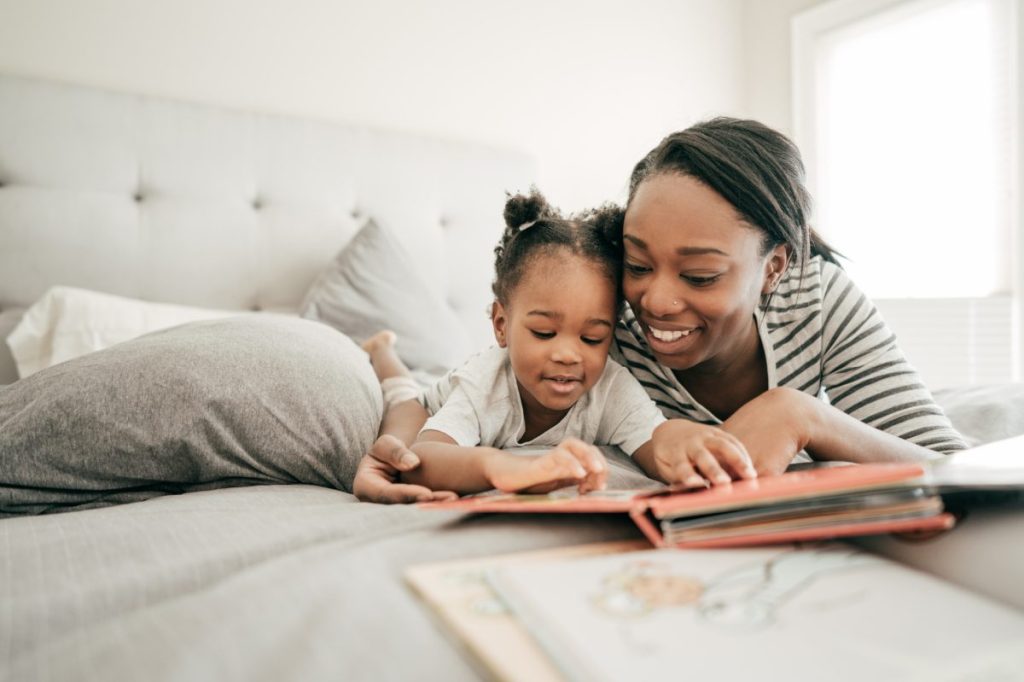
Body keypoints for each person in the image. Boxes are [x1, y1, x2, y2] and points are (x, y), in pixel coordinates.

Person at [354, 117, 966, 503]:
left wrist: (805, 416)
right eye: (637, 264)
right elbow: (474, 409)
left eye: (700, 274)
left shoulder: (820, 300)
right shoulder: (598, 327)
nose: (655, 302)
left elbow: (959, 470)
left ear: (775, 267)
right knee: (409, 380)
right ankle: (383, 352)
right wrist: (401, 447)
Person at [356, 189, 758, 501]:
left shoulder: (612, 388)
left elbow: (655, 443)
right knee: (403, 406)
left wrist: (685, 442)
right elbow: (426, 458)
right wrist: (502, 467)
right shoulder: (485, 384)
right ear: (501, 324)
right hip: (430, 402)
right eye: (544, 333)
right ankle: (382, 351)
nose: (568, 354)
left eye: (591, 338)